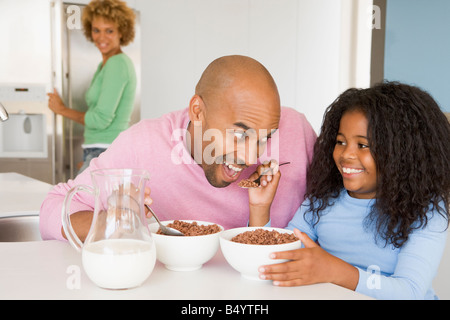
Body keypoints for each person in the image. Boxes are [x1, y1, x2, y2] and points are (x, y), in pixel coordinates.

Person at [39, 55, 317, 241]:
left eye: (265, 138)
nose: (251, 157)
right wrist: (118, 225)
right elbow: (54, 208)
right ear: (197, 111)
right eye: (239, 135)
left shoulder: (297, 131)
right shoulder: (144, 144)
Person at [251, 82, 450, 299]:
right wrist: (260, 208)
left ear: (402, 153)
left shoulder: (426, 210)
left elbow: (410, 291)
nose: (346, 154)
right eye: (341, 141)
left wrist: (334, 271)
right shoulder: (324, 199)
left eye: (363, 145)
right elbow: (278, 258)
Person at [47, 0, 137, 174]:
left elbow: (101, 119)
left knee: (75, 199)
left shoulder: (117, 64)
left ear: (121, 32)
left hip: (105, 150)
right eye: (96, 30)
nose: (101, 37)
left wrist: (62, 110)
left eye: (109, 31)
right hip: (99, 151)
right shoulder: (106, 63)